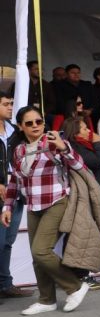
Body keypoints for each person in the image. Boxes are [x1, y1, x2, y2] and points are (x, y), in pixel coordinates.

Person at [2, 106, 92, 314]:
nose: (35, 126)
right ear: (20, 126)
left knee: (41, 251)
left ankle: (75, 286)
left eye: (39, 121)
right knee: (38, 256)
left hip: (57, 201)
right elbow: (15, 181)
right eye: (29, 123)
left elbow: (80, 166)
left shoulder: (53, 142)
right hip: (33, 205)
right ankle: (46, 300)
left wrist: (64, 148)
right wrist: (7, 206)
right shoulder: (19, 150)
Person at [0, 94, 34, 301]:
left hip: (15, 191)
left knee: (7, 241)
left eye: (11, 103)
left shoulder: (15, 131)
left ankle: (5, 284)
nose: (10, 107)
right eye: (6, 104)